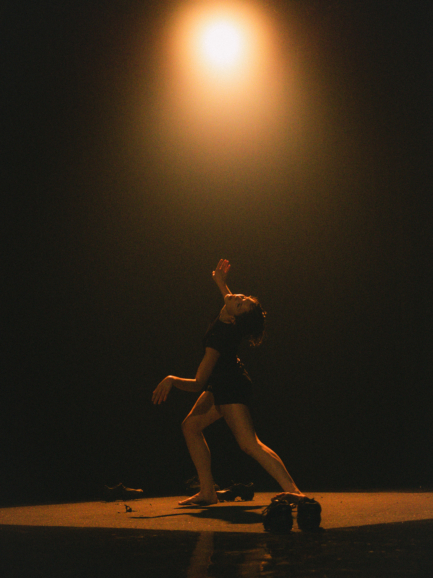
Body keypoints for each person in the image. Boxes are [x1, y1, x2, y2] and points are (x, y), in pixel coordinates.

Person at [152, 259, 305, 506]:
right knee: (190, 427)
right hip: (221, 382)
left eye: (241, 303)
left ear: (235, 319)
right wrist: (221, 283)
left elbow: (198, 382)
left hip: (230, 386)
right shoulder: (229, 313)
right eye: (243, 298)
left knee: (249, 444)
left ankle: (295, 492)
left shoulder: (219, 338)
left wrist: (171, 380)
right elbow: (230, 300)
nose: (238, 297)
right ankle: (207, 492)